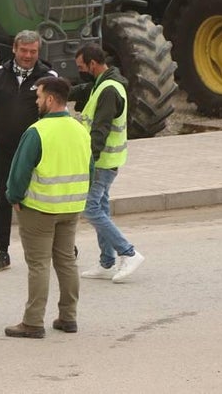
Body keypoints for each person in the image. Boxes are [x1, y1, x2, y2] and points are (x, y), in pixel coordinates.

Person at [4, 75, 91, 338]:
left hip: (40, 208)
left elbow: (19, 172)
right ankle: (68, 316)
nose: (37, 101)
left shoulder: (37, 131)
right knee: (66, 261)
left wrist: (14, 197)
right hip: (72, 206)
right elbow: (91, 168)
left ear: (51, 99)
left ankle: (33, 322)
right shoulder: (80, 129)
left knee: (39, 264)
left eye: (39, 96)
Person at [0, 30, 56, 273]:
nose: (28, 56)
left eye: (33, 51)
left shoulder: (48, 77)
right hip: (4, 152)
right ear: (14, 48)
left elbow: (56, 113)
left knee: (41, 202)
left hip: (36, 154)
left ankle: (56, 245)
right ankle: (2, 251)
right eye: (24, 50)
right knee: (3, 200)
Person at [73, 44, 145, 283]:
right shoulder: (104, 83)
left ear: (93, 64)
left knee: (91, 208)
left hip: (101, 162)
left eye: (82, 66)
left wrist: (88, 161)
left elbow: (100, 130)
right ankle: (106, 262)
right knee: (101, 207)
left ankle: (128, 252)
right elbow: (85, 94)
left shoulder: (108, 89)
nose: (81, 71)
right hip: (108, 160)